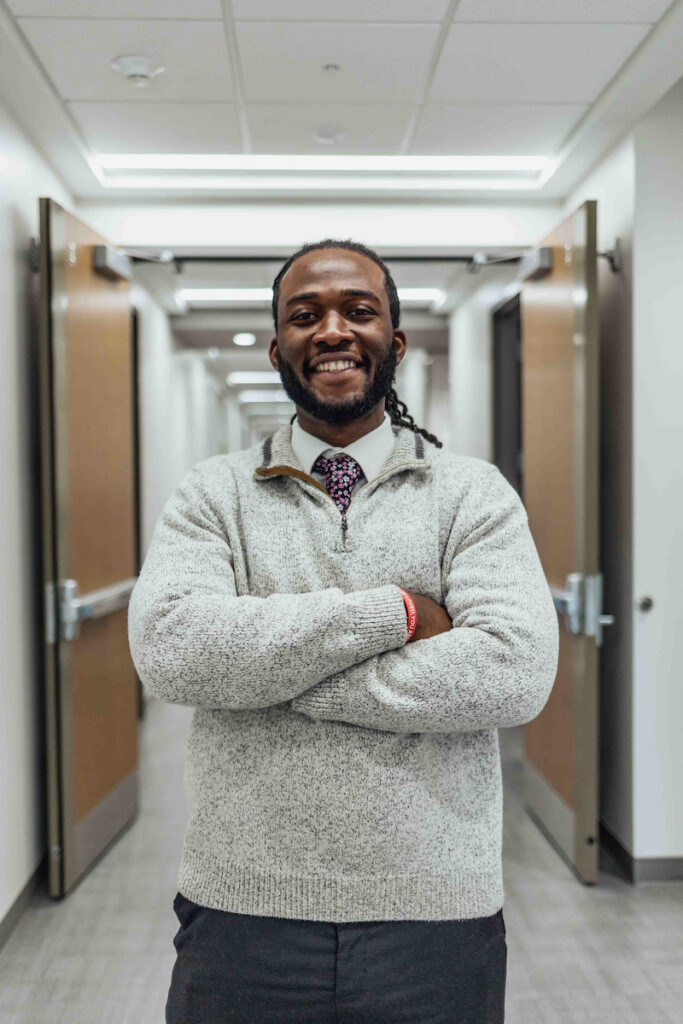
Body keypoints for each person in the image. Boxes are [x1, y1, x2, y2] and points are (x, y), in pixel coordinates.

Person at [128, 239, 559, 1024]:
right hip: (242, 905)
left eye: (358, 311)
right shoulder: (211, 494)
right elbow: (172, 652)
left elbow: (512, 669)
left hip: (435, 907)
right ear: (278, 348)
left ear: (392, 342)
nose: (332, 330)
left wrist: (271, 675)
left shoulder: (470, 494)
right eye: (305, 315)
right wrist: (394, 614)